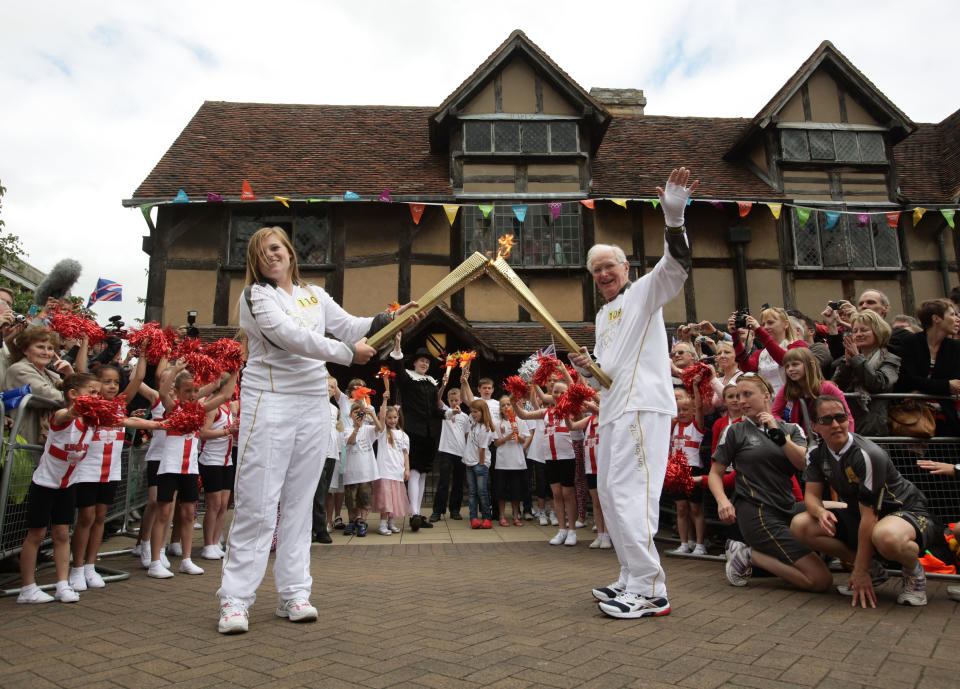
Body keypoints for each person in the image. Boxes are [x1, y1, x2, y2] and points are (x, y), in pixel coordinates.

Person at [216, 225, 418, 634]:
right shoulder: (256, 296)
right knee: (258, 500)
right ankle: (235, 600)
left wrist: (391, 317)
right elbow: (289, 338)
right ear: (254, 263)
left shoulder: (314, 294)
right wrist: (346, 355)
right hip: (269, 399)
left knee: (300, 501)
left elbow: (350, 326)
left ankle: (294, 593)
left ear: (290, 253)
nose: (270, 256)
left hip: (311, 403)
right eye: (261, 253)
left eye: (276, 248)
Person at [569, 167, 697, 619]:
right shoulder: (604, 318)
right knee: (608, 491)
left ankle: (649, 589)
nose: (603, 273)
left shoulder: (645, 292)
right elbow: (606, 375)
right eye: (596, 269)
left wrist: (675, 219)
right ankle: (629, 575)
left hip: (644, 407)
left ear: (626, 268)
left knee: (632, 494)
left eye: (610, 266)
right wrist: (589, 370)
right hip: (615, 409)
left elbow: (677, 266)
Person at [792, 395, 934, 607]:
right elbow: (811, 496)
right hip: (861, 510)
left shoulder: (867, 454)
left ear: (849, 419)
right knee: (801, 525)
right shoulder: (815, 453)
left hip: (904, 510)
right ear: (814, 426)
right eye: (827, 420)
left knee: (885, 536)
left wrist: (858, 571)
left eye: (841, 418)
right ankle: (873, 569)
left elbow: (870, 517)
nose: (836, 425)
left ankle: (914, 573)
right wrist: (820, 513)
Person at [709, 374, 832, 593]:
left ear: (766, 396)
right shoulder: (735, 430)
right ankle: (747, 555)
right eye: (737, 396)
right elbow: (715, 474)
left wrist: (778, 434)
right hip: (757, 512)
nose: (741, 401)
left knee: (842, 510)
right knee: (821, 581)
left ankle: (868, 565)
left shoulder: (792, 429)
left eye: (747, 394)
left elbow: (804, 465)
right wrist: (722, 501)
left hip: (787, 507)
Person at [69, 355, 154, 590]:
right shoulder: (89, 406)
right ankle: (76, 568)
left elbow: (138, 378)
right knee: (85, 518)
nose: (113, 386)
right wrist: (85, 340)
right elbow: (78, 373)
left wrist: (144, 350)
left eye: (116, 382)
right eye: (107, 382)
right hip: (87, 471)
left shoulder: (118, 406)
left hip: (110, 472)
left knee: (99, 519)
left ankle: (89, 565)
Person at [16, 373, 100, 604]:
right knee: (36, 534)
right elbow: (64, 414)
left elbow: (128, 422)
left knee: (62, 534)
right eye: (91, 392)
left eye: (97, 393)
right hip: (44, 484)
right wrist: (75, 409)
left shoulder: (92, 421)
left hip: (67, 485)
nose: (96, 397)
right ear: (73, 394)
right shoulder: (62, 417)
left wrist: (162, 425)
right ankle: (27, 588)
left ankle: (62, 584)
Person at [515, 380, 578, 546]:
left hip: (567, 458)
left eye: (561, 392)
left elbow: (576, 395)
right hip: (550, 458)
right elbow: (523, 415)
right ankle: (562, 530)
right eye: (555, 392)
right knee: (557, 494)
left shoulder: (572, 410)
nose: (558, 395)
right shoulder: (546, 412)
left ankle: (572, 530)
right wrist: (515, 402)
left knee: (568, 494)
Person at [388, 344, 440, 531]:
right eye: (422, 361)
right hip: (414, 431)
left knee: (423, 473)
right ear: (415, 363)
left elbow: (434, 409)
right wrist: (398, 348)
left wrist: (448, 414)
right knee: (415, 472)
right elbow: (398, 371)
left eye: (427, 361)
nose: (425, 364)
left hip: (429, 433)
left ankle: (416, 513)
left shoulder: (432, 383)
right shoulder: (408, 378)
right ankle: (414, 514)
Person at [894, 298, 960, 436]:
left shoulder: (955, 348)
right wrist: (945, 385)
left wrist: (920, 390)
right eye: (953, 314)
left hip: (946, 419)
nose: (957, 319)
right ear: (936, 318)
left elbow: (956, 385)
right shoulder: (911, 343)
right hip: (913, 418)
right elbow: (906, 379)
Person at [830, 309, 901, 436]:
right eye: (855, 331)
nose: (858, 334)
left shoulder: (891, 359)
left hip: (874, 426)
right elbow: (836, 387)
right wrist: (846, 365)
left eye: (864, 330)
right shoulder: (847, 358)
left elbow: (878, 383)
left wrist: (857, 359)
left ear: (878, 331)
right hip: (849, 424)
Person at [5, 327, 73, 445]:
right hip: (24, 443)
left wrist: (69, 374)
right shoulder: (19, 369)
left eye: (50, 348)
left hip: (48, 444)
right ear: (25, 350)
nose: (46, 352)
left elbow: (80, 392)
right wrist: (76, 398)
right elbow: (52, 397)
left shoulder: (52, 375)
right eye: (40, 347)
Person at [197, 375, 240, 559]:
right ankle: (208, 543)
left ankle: (215, 541)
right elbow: (203, 433)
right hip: (211, 460)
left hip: (226, 460)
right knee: (213, 505)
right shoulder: (212, 406)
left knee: (223, 505)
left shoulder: (228, 408)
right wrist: (226, 431)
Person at [771, 347, 854, 436]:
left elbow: (847, 417)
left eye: (795, 364)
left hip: (827, 439)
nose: (790, 369)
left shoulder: (827, 388)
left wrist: (846, 440)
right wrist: (789, 429)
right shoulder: (787, 388)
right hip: (801, 441)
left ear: (811, 365)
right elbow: (774, 413)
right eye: (787, 366)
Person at [667, 375, 707, 556]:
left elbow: (699, 406)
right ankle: (684, 543)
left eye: (685, 410)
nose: (682, 413)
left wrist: (696, 387)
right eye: (678, 410)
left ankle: (700, 544)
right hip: (676, 471)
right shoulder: (673, 426)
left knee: (695, 508)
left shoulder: (697, 426)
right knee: (681, 508)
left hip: (693, 470)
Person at [728, 306, 806, 398]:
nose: (765, 327)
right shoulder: (760, 354)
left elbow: (784, 360)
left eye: (770, 323)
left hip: (792, 401)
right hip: (768, 405)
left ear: (786, 324)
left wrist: (759, 330)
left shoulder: (798, 345)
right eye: (763, 324)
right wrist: (734, 334)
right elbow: (746, 369)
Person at [342, 401, 383, 536]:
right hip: (352, 473)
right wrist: (356, 428)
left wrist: (372, 414)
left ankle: (362, 522)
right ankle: (352, 521)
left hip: (366, 472)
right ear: (351, 415)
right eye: (355, 412)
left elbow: (380, 428)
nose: (358, 415)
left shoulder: (368, 429)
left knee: (364, 499)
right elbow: (350, 441)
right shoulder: (347, 429)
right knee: (351, 500)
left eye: (360, 413)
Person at [372, 396, 410, 535]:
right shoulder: (382, 432)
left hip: (397, 472)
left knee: (395, 500)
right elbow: (381, 417)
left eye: (395, 417)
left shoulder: (403, 435)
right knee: (386, 500)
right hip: (384, 472)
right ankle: (382, 524)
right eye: (390, 418)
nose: (393, 420)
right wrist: (384, 400)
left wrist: (407, 469)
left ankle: (391, 523)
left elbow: (405, 454)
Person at [430, 383, 468, 522]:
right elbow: (437, 400)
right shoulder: (446, 410)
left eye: (456, 400)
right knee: (443, 482)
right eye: (451, 400)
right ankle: (437, 511)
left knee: (458, 483)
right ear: (448, 401)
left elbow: (467, 436)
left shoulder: (465, 417)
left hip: (460, 452)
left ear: (461, 400)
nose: (454, 403)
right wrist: (444, 385)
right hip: (446, 450)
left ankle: (455, 510)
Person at [492, 395, 529, 526]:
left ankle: (515, 516)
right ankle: (502, 516)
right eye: (503, 405)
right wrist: (507, 437)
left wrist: (517, 435)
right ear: (500, 409)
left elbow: (524, 440)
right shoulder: (498, 424)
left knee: (516, 491)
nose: (506, 407)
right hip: (502, 463)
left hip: (517, 462)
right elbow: (496, 443)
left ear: (513, 406)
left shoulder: (521, 421)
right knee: (501, 491)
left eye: (508, 404)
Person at [463, 399, 495, 529]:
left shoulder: (485, 428)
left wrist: (481, 465)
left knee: (482, 492)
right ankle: (473, 518)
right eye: (471, 412)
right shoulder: (473, 423)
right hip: (469, 462)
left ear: (483, 412)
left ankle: (486, 517)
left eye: (476, 412)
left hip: (479, 463)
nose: (473, 414)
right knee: (472, 492)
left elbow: (482, 448)